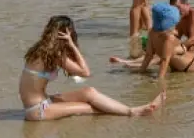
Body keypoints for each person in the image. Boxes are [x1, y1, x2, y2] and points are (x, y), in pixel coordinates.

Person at [20, 16, 164, 121]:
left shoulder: (41, 49)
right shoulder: (55, 54)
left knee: (89, 92)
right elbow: (85, 72)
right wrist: (71, 45)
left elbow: (75, 72)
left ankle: (130, 110)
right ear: (66, 33)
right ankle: (132, 112)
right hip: (38, 110)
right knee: (91, 108)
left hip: (43, 102)